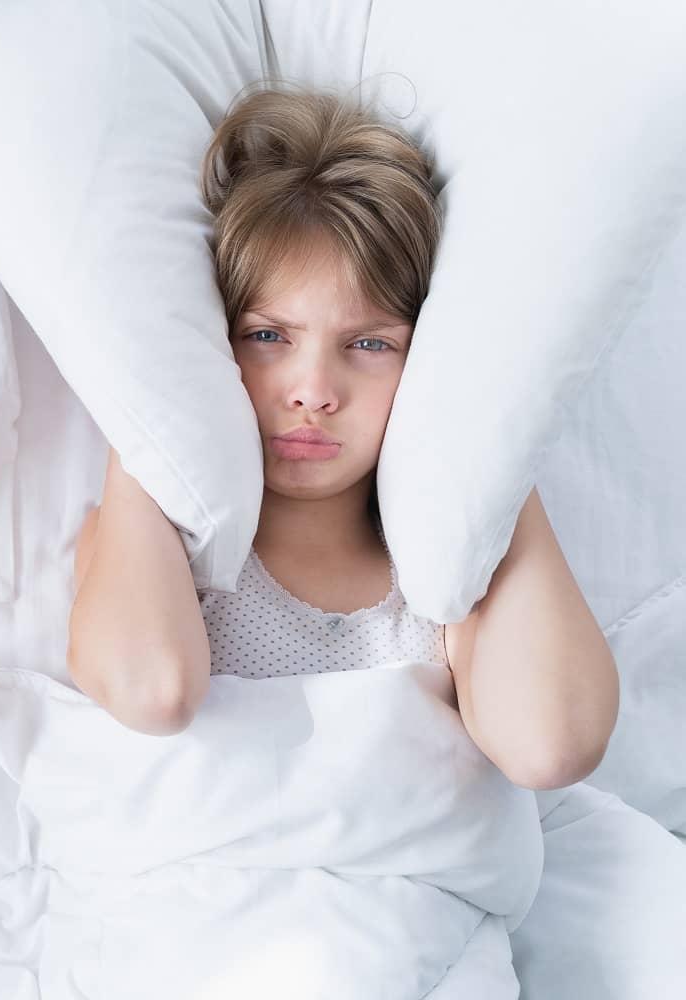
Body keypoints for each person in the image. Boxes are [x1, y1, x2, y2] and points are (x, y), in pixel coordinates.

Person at [66, 86, 617, 791]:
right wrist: (148, 402)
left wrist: (495, 438)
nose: (314, 391)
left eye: (368, 344)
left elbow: (553, 747)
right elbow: (151, 692)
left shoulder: (441, 582)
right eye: (268, 337)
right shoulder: (154, 549)